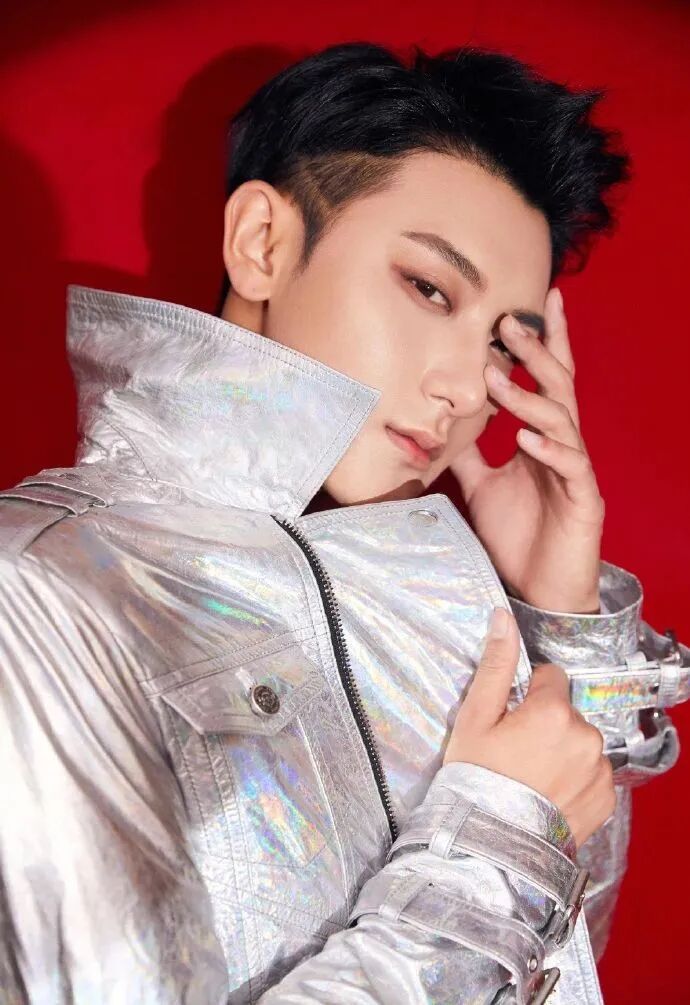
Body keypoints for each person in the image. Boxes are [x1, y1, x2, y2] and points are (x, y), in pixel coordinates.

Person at [0, 40, 687, 1005]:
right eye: (430, 289)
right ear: (262, 243)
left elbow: (562, 973)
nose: (466, 388)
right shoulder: (40, 585)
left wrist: (562, 624)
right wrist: (499, 839)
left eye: (503, 344)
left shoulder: (435, 594)